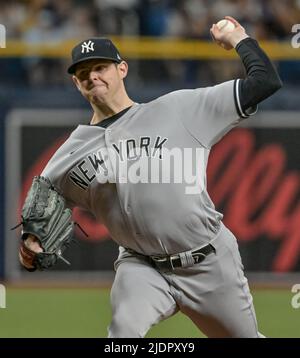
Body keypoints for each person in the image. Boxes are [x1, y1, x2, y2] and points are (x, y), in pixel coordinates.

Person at [19, 16, 282, 337]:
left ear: (122, 69)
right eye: (83, 73)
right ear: (76, 83)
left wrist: (240, 38)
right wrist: (32, 243)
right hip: (141, 267)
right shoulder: (69, 154)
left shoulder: (181, 109)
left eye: (100, 67)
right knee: (122, 333)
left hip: (210, 263)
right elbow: (45, 207)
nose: (92, 76)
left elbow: (265, 81)